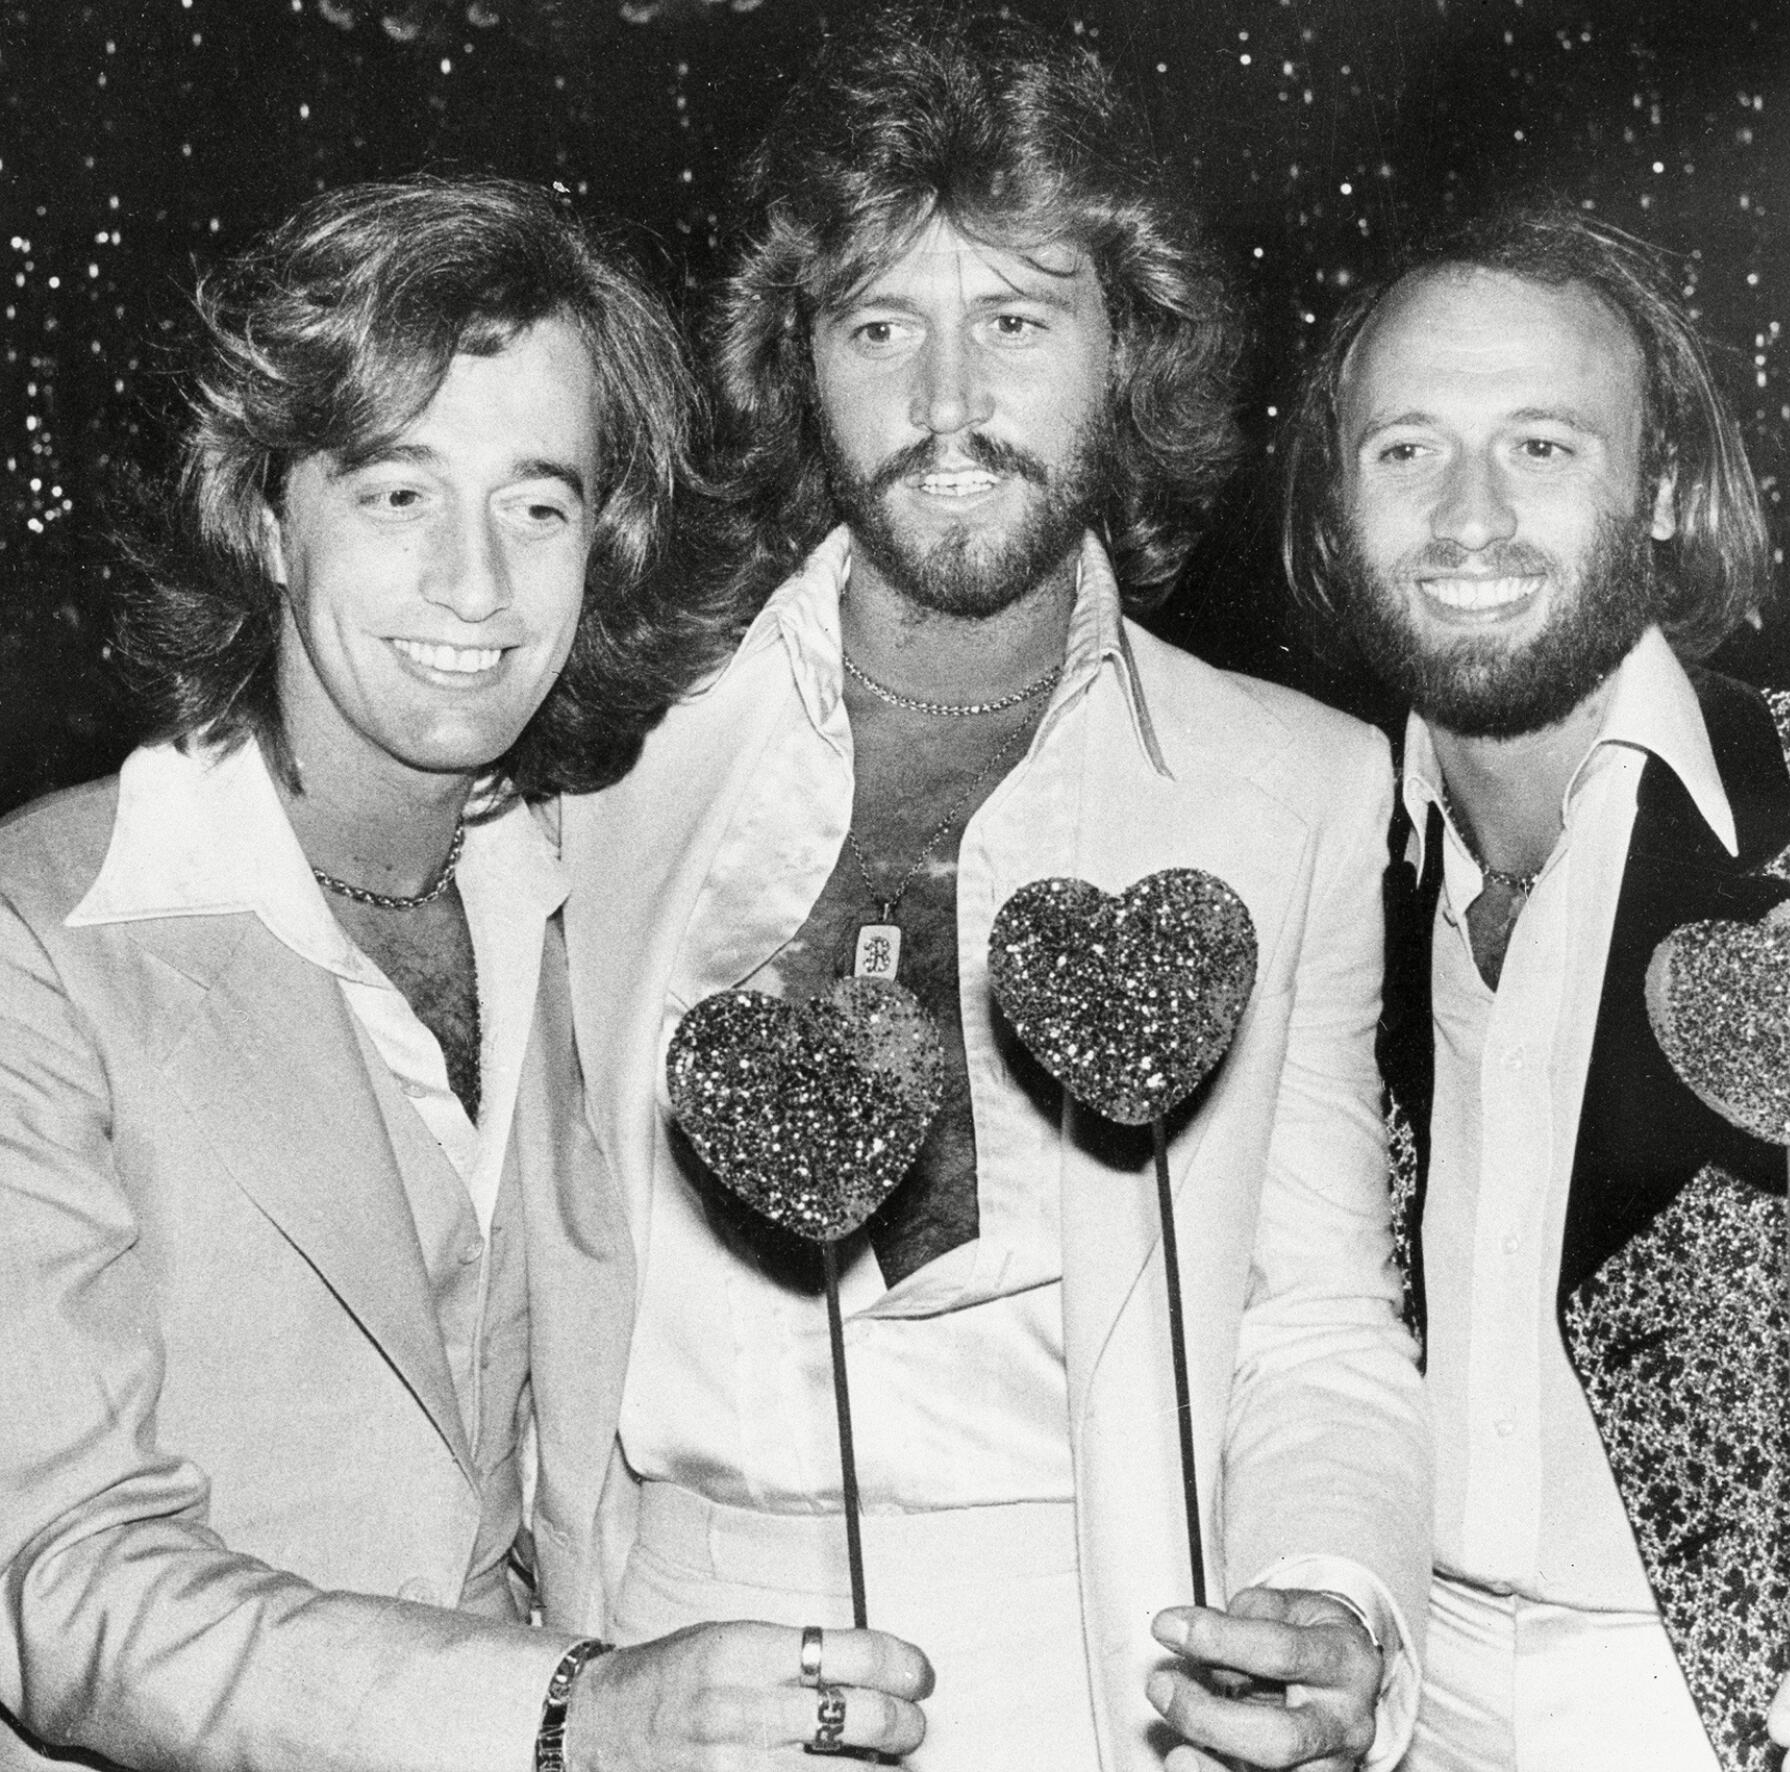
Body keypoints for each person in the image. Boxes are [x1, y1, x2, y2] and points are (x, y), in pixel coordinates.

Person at [559, 11, 1431, 1771]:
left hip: (1107, 1670)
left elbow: (1321, 1317)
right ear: (802, 362)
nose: (948, 406)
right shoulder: (611, 745)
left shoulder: (1302, 788)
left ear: (1129, 354)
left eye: (1018, 322)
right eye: (883, 326)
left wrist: (1336, 1602)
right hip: (672, 1652)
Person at [0, 174, 932, 1772]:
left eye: (539, 503)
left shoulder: (582, 900)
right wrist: (569, 1712)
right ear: (264, 515)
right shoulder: (43, 937)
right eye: (398, 494)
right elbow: (64, 1586)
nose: (478, 587)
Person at [1282, 199, 1790, 1772]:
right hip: (1401, 1718)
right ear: (1339, 507)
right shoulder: (1310, 854)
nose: (1469, 516)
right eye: (1405, 450)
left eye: (1543, 445)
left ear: (1663, 488)